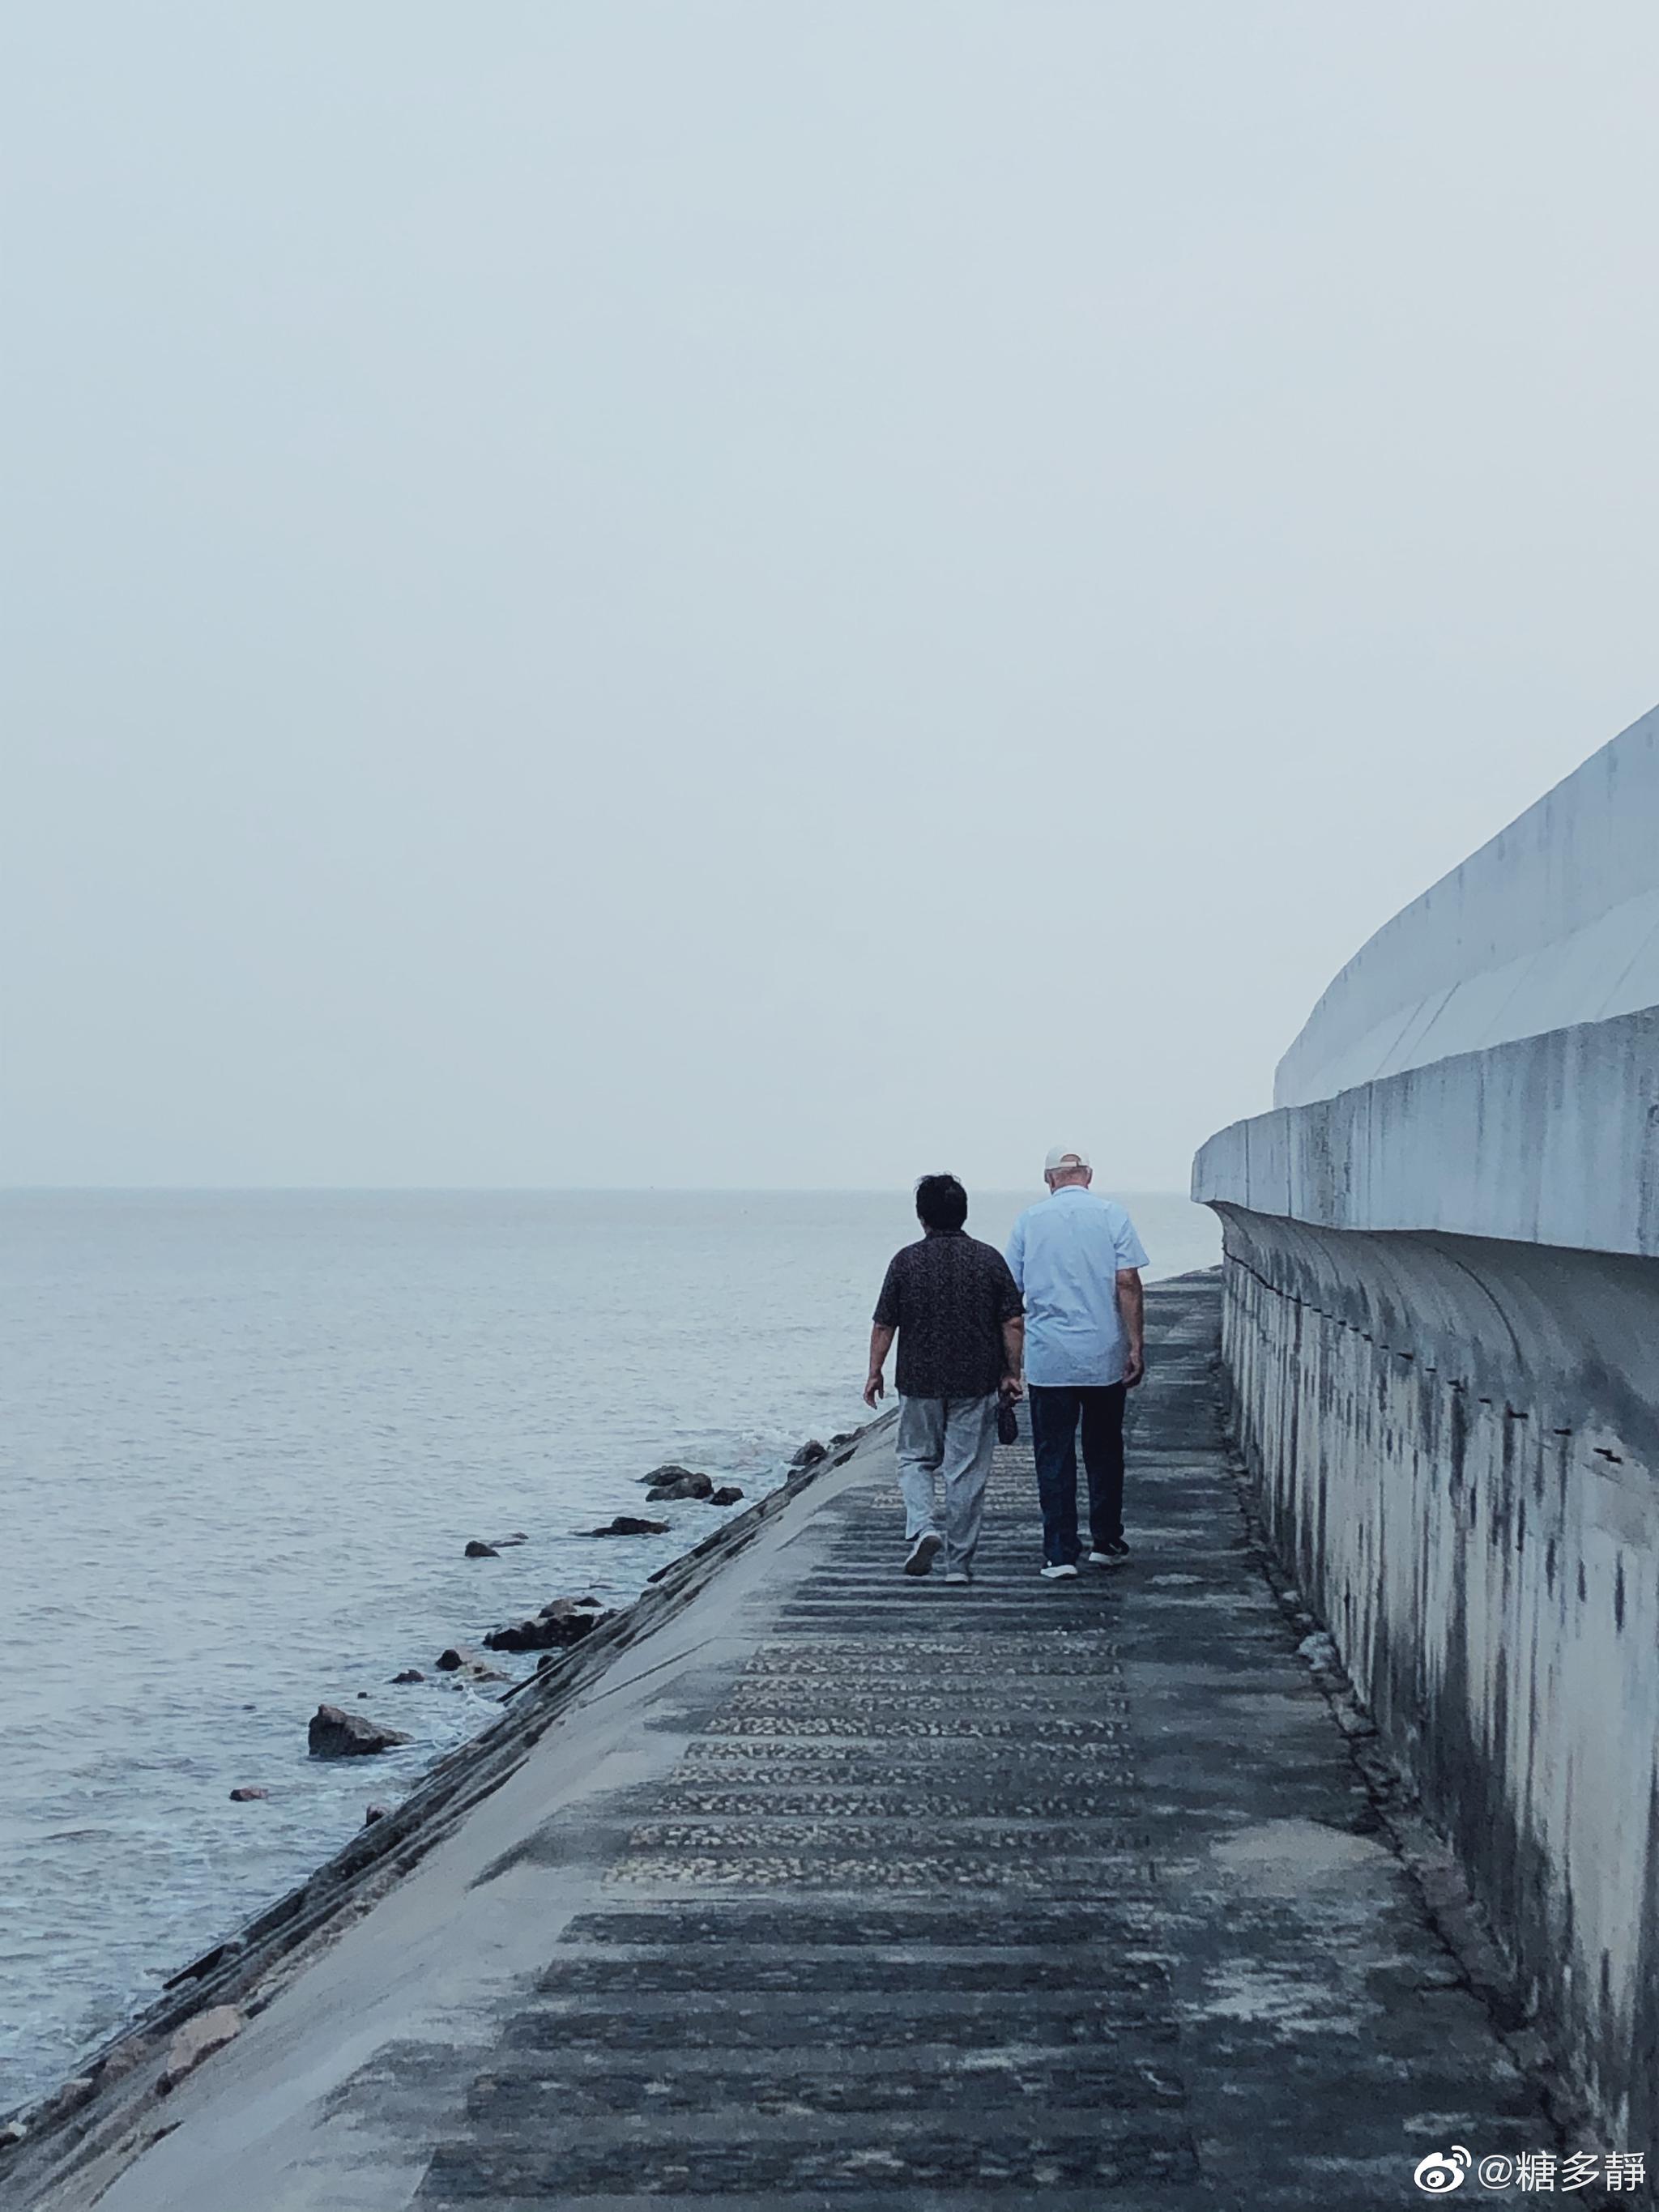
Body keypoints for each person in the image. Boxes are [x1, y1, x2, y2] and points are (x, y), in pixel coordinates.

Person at [864, 1174, 1025, 1584]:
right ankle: (959, 1565)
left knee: (916, 1459)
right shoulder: (989, 1259)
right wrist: (1012, 1372)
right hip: (976, 1381)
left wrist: (874, 1373)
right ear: (963, 1212)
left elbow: (884, 1325)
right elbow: (1012, 1321)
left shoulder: (905, 1261)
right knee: (965, 1472)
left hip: (919, 1381)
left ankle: (922, 1528)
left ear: (922, 1218)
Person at [1006, 1146, 1148, 1580]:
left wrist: (1010, 1367)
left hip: (1050, 1359)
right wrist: (1136, 1345)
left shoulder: (1029, 1221)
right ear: (1088, 1175)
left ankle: (1059, 1553)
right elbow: (1127, 1281)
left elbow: (1012, 1300)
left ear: (1048, 1180)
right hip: (1103, 1355)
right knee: (1104, 1450)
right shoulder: (1112, 1215)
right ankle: (1106, 1541)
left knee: (1054, 1454)